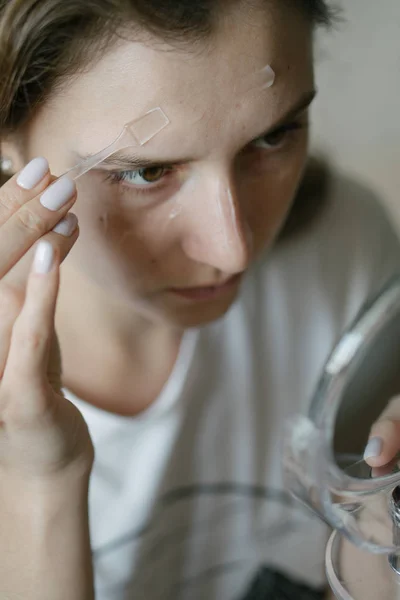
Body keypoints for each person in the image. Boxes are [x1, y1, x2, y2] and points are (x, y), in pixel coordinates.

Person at [0, 1, 399, 599]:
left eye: (273, 136)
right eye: (146, 173)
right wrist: (42, 483)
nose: (234, 250)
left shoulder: (344, 251)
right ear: (9, 145)